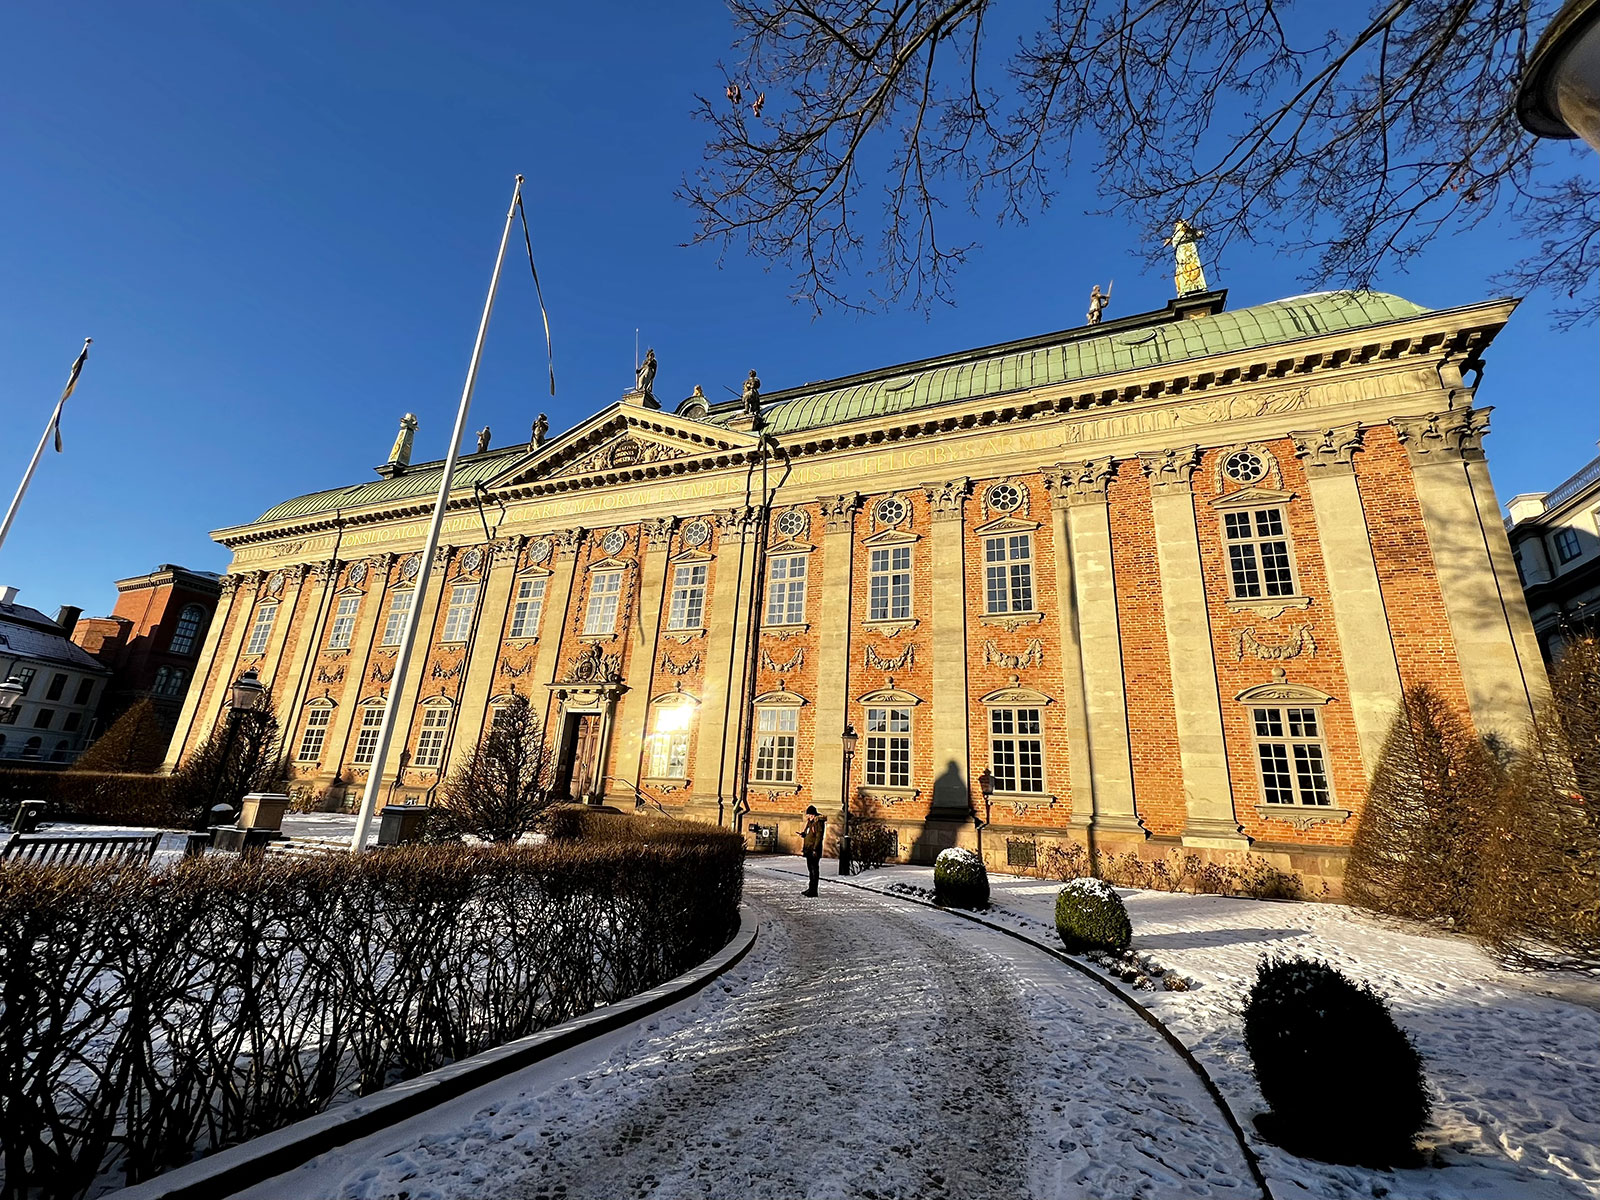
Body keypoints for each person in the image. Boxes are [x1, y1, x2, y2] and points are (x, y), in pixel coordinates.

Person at [801, 804, 826, 896]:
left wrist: (815, 849)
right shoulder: (810, 822)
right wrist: (804, 834)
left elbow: (819, 837)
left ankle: (813, 890)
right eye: (808, 815)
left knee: (814, 869)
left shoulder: (818, 823)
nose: (809, 817)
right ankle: (810, 888)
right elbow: (809, 833)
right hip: (808, 849)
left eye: (811, 815)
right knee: (810, 869)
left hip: (814, 849)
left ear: (814, 815)